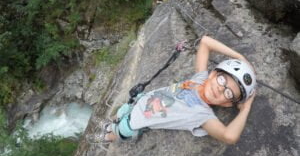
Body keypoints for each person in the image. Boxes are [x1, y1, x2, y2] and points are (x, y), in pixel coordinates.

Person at [103, 35, 256, 145]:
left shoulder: (202, 114)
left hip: (137, 121)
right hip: (141, 100)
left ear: (227, 104)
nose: (220, 89)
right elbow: (205, 42)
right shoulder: (200, 79)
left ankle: (105, 137)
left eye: (228, 93)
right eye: (222, 80)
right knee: (121, 112)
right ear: (213, 74)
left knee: (118, 131)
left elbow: (229, 136)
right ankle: (109, 125)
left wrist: (245, 108)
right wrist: (239, 57)